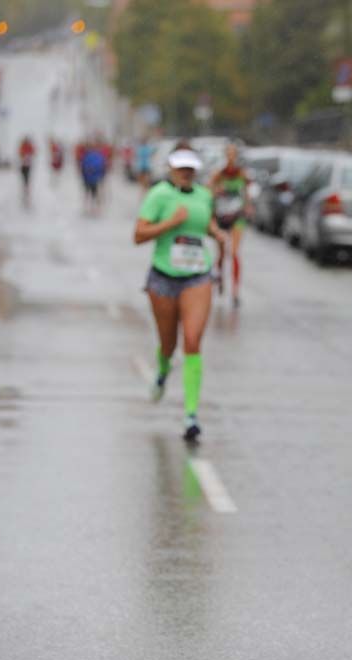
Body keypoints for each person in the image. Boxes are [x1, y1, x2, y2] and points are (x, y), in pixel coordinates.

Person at [134, 147, 227, 441]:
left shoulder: (203, 195)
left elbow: (205, 223)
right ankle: (161, 372)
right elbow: (138, 235)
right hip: (163, 278)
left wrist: (218, 236)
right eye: (181, 168)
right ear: (171, 169)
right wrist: (170, 224)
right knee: (168, 343)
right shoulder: (159, 195)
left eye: (191, 168)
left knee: (192, 340)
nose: (186, 173)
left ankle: (191, 416)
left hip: (197, 277)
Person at [209, 143, 254, 305]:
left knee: (234, 252)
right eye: (228, 154)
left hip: (237, 217)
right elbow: (208, 192)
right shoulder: (218, 174)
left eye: (233, 154)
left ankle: (235, 292)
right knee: (221, 254)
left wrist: (248, 206)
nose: (231, 157)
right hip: (221, 217)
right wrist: (216, 191)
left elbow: (247, 193)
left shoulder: (242, 174)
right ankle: (220, 279)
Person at [80, 143, 107, 214]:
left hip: (88, 178)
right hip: (95, 178)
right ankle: (95, 208)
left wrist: (83, 176)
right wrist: (102, 176)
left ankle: (87, 207)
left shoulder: (87, 156)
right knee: (95, 193)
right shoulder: (99, 156)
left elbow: (82, 167)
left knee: (88, 192)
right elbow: (103, 167)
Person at [18, 136, 35, 205]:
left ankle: (26, 190)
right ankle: (25, 189)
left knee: (26, 178)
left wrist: (28, 155)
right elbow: (20, 153)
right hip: (23, 165)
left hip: (27, 165)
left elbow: (33, 152)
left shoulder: (29, 147)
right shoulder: (23, 147)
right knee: (24, 178)